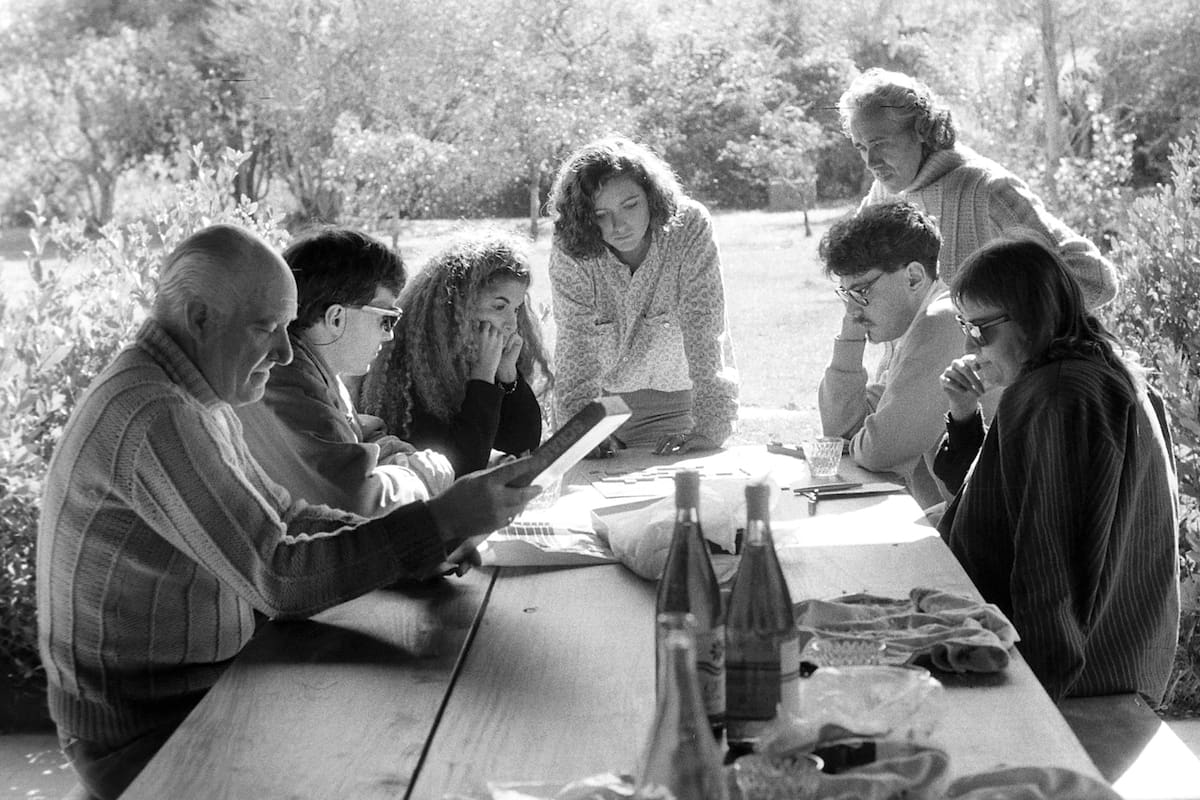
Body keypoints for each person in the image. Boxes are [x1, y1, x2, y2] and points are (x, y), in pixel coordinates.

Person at [36, 223, 539, 799]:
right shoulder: (158, 412)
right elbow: (278, 577)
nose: (282, 351)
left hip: (196, 689)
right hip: (148, 727)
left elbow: (286, 517)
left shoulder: (194, 391)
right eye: (268, 328)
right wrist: (442, 521)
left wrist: (420, 546)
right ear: (200, 318)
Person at [934, 237, 1179, 703]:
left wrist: (1034, 694)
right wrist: (964, 415)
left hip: (1076, 681)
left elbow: (1050, 558)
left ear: (1034, 316)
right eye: (964, 325)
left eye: (981, 329)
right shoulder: (1094, 373)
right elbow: (1006, 496)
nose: (969, 344)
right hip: (1117, 661)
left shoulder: (1056, 396)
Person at [839, 67, 1119, 309]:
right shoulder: (885, 193)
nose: (871, 162)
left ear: (921, 131)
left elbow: (1095, 280)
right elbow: (850, 273)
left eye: (880, 144)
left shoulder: (987, 190)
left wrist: (1003, 320)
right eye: (861, 148)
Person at [236, 227, 454, 517]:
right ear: (336, 317)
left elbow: (350, 436)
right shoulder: (289, 386)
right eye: (387, 320)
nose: (389, 336)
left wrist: (392, 453)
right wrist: (423, 473)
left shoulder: (310, 371)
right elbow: (358, 504)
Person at [547, 135, 739, 457]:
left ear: (651, 196)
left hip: (680, 405)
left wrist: (711, 425)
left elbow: (705, 329)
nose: (618, 225)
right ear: (584, 218)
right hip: (597, 408)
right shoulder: (571, 245)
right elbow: (574, 344)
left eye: (630, 205)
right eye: (600, 214)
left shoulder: (689, 226)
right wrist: (580, 432)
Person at [817, 200, 996, 510]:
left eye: (862, 291)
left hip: (998, 528)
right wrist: (851, 333)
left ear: (913, 277)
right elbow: (840, 432)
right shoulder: (918, 325)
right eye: (846, 294)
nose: (852, 309)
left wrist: (863, 438)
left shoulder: (941, 321)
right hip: (972, 513)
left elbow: (881, 452)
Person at [357, 230, 550, 477]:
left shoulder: (477, 358)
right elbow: (458, 468)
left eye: (516, 308)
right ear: (458, 306)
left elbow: (523, 443)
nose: (511, 323)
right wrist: (482, 377)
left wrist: (507, 376)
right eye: (499, 306)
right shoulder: (412, 370)